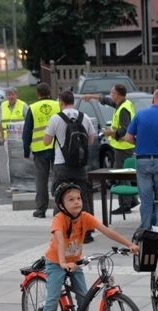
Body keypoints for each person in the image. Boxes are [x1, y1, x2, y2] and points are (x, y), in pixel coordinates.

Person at [34, 182, 140, 311]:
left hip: (75, 262)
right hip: (56, 262)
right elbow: (59, 240)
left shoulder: (85, 217)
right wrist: (63, 262)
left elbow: (107, 231)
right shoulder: (59, 219)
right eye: (71, 200)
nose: (77, 202)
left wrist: (128, 244)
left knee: (84, 298)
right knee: (52, 301)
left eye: (78, 198)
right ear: (61, 205)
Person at [43, 91, 96, 243]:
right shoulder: (84, 117)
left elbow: (47, 142)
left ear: (60, 102)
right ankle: (86, 234)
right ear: (73, 101)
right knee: (82, 198)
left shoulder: (55, 118)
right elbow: (91, 140)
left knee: (61, 198)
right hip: (80, 165)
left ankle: (62, 232)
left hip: (62, 165)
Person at [124, 88, 158, 230]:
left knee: (146, 197)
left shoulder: (140, 115)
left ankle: (146, 228)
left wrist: (140, 143)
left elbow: (128, 138)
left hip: (142, 160)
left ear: (153, 100)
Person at [83, 84, 139, 215]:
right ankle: (132, 201)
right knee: (123, 174)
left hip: (123, 147)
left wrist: (111, 133)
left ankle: (125, 205)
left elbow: (126, 129)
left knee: (121, 175)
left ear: (117, 95)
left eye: (112, 93)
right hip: (124, 147)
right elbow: (106, 100)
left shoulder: (123, 109)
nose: (110, 95)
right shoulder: (123, 103)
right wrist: (92, 97)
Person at [23, 83, 59, 218]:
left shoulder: (33, 108)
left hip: (40, 150)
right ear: (50, 92)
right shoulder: (57, 105)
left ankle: (41, 209)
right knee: (58, 178)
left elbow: (27, 131)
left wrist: (26, 150)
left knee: (41, 180)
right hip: (57, 148)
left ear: (38, 94)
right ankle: (59, 208)